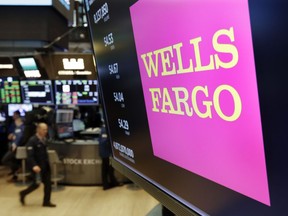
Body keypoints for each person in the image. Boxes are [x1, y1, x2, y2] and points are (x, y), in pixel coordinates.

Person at [19, 123, 56, 207]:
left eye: (46, 129)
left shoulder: (44, 139)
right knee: (36, 185)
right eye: (44, 130)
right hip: (37, 168)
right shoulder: (32, 141)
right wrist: (34, 165)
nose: (46, 131)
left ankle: (46, 202)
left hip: (45, 166)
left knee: (48, 184)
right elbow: (30, 155)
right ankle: (23, 193)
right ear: (38, 130)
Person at [1, 110, 25, 182]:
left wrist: (15, 144)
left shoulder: (20, 128)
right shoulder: (18, 128)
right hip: (14, 147)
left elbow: (18, 137)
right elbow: (15, 136)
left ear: (18, 121)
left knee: (4, 160)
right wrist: (12, 136)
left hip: (15, 148)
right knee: (12, 160)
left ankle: (17, 168)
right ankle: (15, 174)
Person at [99, 125, 120, 190]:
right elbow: (104, 141)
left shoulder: (103, 129)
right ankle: (107, 185)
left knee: (109, 168)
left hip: (105, 152)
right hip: (106, 153)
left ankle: (111, 183)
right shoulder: (105, 130)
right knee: (106, 169)